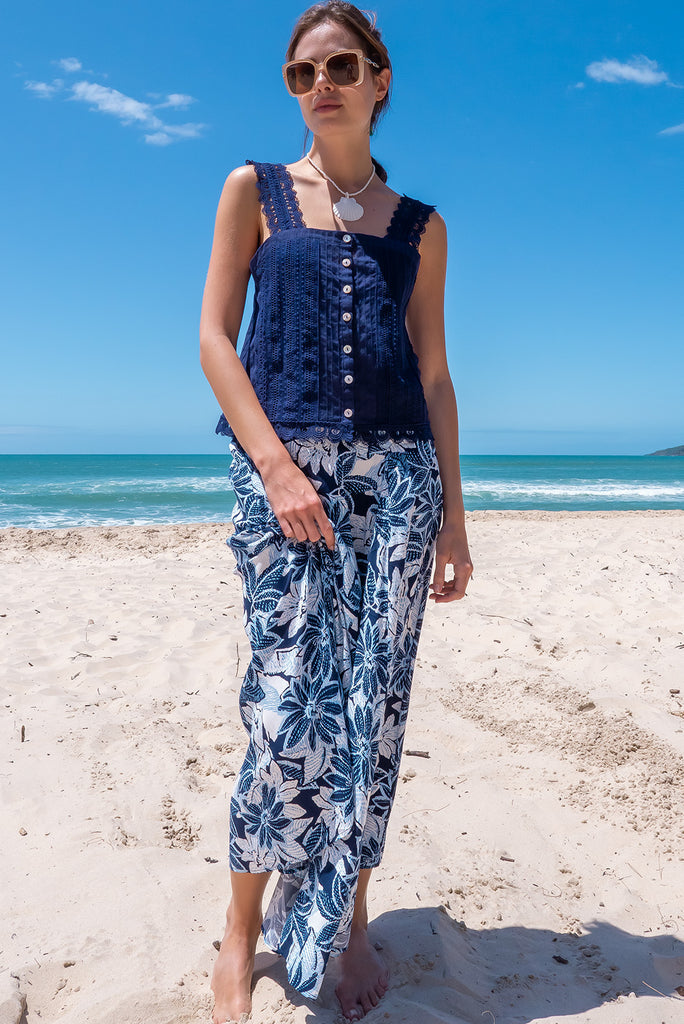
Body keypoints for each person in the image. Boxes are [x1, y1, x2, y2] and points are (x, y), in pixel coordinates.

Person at [199, 3, 473, 1020]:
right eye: (303, 71)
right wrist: (274, 465)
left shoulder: (419, 226)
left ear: (380, 79)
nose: (323, 84)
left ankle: (351, 920)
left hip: (399, 487)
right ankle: (241, 936)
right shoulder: (255, 191)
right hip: (286, 482)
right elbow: (216, 340)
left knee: (373, 714)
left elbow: (436, 376)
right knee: (283, 710)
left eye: (343, 66)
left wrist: (454, 517)